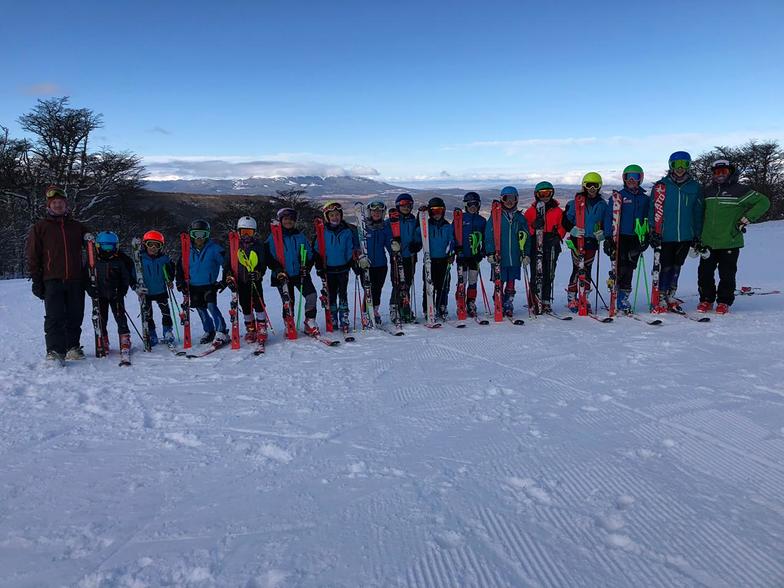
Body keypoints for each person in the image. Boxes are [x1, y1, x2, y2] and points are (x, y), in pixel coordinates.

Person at [696, 160, 770, 314]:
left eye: (723, 171)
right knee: (704, 274)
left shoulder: (740, 190)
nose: (720, 175)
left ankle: (724, 301)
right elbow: (700, 214)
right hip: (708, 241)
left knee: (727, 275)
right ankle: (706, 300)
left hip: (730, 240)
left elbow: (764, 202)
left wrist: (747, 218)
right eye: (717, 172)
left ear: (730, 172)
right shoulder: (707, 191)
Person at [25, 185, 89, 361]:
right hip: (52, 279)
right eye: (54, 203)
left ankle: (72, 348)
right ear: (49, 206)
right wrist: (37, 280)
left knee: (75, 315)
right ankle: (54, 351)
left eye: (60, 202)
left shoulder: (77, 227)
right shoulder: (40, 227)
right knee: (54, 317)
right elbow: (33, 255)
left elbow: (93, 247)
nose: (58, 205)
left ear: (66, 205)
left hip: (76, 279)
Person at [649, 151, 703, 313]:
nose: (680, 168)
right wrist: (652, 229)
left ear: (689, 166)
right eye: (676, 164)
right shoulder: (661, 186)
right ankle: (660, 294)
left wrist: (697, 235)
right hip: (665, 235)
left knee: (677, 265)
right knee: (664, 266)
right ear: (670, 166)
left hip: (686, 235)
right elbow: (653, 209)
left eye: (684, 164)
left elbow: (698, 212)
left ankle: (670, 294)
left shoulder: (694, 186)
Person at [603, 165, 650, 314]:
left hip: (636, 237)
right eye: (628, 176)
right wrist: (608, 237)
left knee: (630, 267)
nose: (631, 180)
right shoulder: (618, 197)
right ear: (624, 178)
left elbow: (648, 218)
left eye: (635, 177)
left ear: (640, 179)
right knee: (620, 267)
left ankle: (623, 298)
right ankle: (616, 294)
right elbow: (609, 217)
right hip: (620, 237)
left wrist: (647, 236)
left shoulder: (644, 199)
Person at [267, 207, 319, 335]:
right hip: (282, 275)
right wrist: (277, 269)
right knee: (288, 301)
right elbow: (267, 256)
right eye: (285, 219)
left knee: (311, 295)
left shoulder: (299, 236)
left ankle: (310, 321)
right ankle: (288, 323)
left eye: (291, 219)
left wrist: (307, 265)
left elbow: (310, 253)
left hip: (299, 272)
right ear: (281, 220)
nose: (288, 222)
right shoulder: (273, 237)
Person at [176, 219, 228, 345]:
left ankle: (221, 330)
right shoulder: (186, 250)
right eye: (196, 234)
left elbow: (227, 264)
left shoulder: (214, 249)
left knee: (211, 306)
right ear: (191, 235)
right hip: (193, 285)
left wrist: (225, 280)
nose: (199, 238)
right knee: (200, 308)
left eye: (202, 234)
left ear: (207, 235)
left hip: (209, 284)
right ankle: (209, 330)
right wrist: (180, 282)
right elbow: (180, 268)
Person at [563, 173, 608, 313]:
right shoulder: (575, 202)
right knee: (577, 269)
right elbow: (564, 221)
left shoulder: (602, 205)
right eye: (589, 185)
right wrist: (572, 229)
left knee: (587, 269)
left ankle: (584, 296)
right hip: (578, 240)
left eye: (596, 185)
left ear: (599, 186)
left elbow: (605, 222)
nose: (592, 188)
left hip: (592, 241)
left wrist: (602, 234)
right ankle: (572, 298)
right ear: (584, 186)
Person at [484, 186, 532, 318]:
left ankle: (508, 303)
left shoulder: (520, 218)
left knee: (511, 280)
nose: (509, 201)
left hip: (515, 256)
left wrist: (526, 254)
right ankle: (498, 300)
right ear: (502, 199)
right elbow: (488, 236)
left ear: (516, 200)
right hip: (500, 256)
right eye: (506, 199)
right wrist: (490, 252)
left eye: (513, 198)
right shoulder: (495, 217)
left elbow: (526, 236)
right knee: (500, 280)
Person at [313, 202, 356, 333]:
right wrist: (319, 265)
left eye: (337, 214)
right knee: (331, 294)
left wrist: (352, 263)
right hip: (329, 269)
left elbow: (350, 248)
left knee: (342, 293)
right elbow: (317, 250)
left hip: (343, 268)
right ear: (327, 217)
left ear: (341, 216)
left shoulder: (347, 231)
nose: (335, 217)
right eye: (332, 215)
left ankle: (344, 316)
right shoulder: (322, 232)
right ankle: (332, 317)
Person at [523, 181, 566, 313]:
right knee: (536, 273)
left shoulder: (558, 211)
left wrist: (558, 236)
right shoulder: (530, 212)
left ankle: (546, 300)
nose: (545, 196)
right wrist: (533, 228)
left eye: (548, 193)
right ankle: (534, 300)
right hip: (536, 243)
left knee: (549, 272)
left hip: (552, 243)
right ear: (537, 195)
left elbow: (562, 226)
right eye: (542, 193)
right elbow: (525, 228)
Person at [224, 216, 268, 342]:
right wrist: (228, 276)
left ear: (254, 232)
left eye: (250, 232)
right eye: (244, 232)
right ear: (239, 232)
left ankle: (261, 327)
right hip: (241, 282)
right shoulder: (234, 246)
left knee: (259, 304)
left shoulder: (259, 246)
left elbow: (263, 263)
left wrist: (259, 273)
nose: (247, 236)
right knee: (245, 305)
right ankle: (251, 329)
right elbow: (227, 263)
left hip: (255, 281)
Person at [90, 231, 134, 354]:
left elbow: (125, 278)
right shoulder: (94, 262)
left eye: (111, 247)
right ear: (98, 247)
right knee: (101, 319)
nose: (108, 250)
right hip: (100, 296)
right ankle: (103, 339)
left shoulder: (119, 261)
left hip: (116, 295)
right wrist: (91, 290)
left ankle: (124, 338)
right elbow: (86, 278)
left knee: (120, 317)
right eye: (105, 247)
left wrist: (122, 291)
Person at [412, 197, 455, 321]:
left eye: (440, 210)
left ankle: (441, 306)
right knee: (429, 287)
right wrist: (419, 216)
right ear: (430, 212)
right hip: (429, 262)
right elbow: (417, 234)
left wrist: (452, 253)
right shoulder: (426, 225)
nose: (437, 214)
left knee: (444, 286)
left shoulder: (447, 226)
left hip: (444, 261)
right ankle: (428, 308)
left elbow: (451, 240)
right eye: (434, 211)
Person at [385, 193, 420, 323]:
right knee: (397, 284)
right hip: (396, 257)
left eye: (408, 205)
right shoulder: (391, 221)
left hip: (410, 257)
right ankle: (394, 308)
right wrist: (392, 247)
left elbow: (418, 235)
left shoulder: (413, 221)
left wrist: (417, 245)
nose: (406, 207)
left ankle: (405, 307)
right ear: (398, 206)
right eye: (403, 205)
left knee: (407, 283)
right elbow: (386, 235)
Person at [138, 230, 176, 345]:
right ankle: (152, 333)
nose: (153, 248)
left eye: (157, 245)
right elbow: (134, 273)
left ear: (161, 247)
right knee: (148, 314)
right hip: (146, 292)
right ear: (145, 245)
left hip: (161, 290)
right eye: (150, 244)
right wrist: (136, 285)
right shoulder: (140, 259)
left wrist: (170, 280)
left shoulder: (164, 259)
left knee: (166, 312)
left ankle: (167, 331)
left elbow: (170, 272)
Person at [456, 192, 487, 317]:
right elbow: (453, 236)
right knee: (461, 281)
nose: (473, 207)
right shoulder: (460, 219)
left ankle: (470, 303)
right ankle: (460, 303)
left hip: (474, 256)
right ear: (466, 205)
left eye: (475, 204)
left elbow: (485, 238)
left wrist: (482, 251)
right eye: (470, 204)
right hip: (462, 256)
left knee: (473, 281)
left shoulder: (482, 221)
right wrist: (457, 250)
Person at [364, 200, 390, 325]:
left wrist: (395, 252)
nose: (376, 213)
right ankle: (366, 312)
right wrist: (358, 259)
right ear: (370, 212)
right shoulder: (363, 227)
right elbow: (357, 246)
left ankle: (374, 311)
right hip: (366, 264)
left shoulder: (385, 227)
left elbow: (390, 244)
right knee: (368, 289)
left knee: (377, 289)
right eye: (374, 211)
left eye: (379, 211)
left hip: (381, 264)